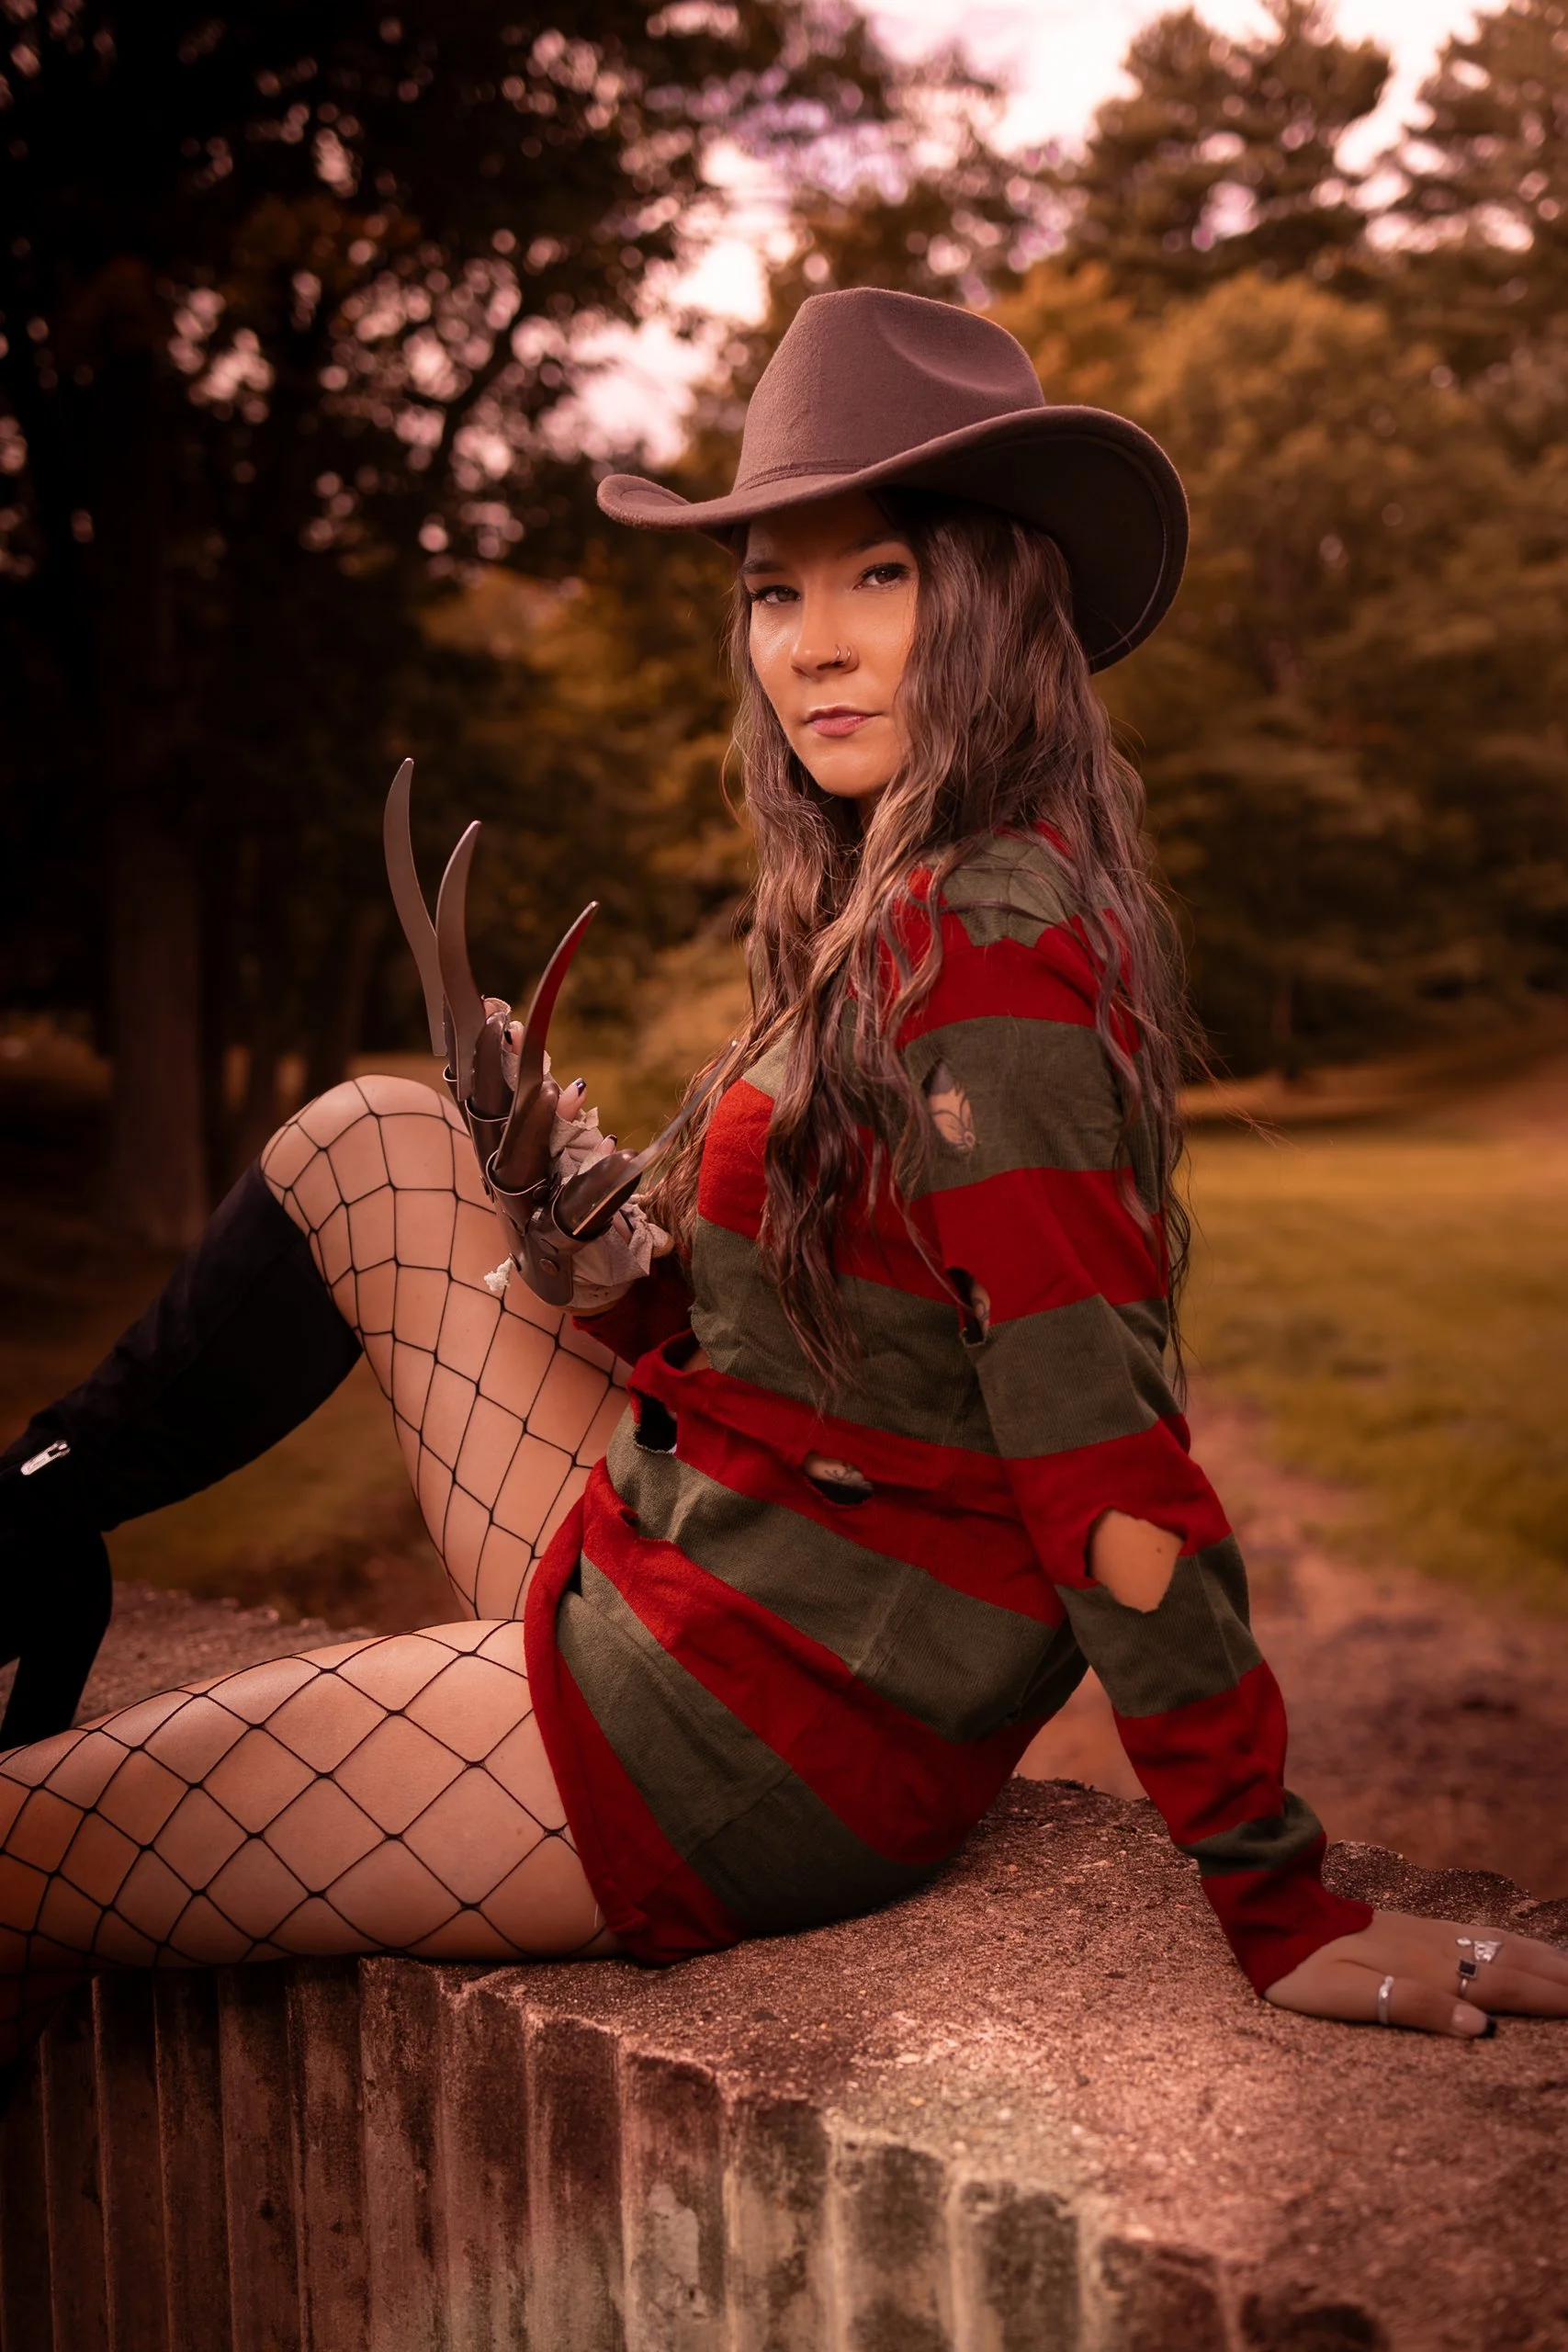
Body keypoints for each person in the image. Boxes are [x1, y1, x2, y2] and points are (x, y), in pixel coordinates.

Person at [0, 288, 1562, 2072]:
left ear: (989, 595)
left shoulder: (986, 963)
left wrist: (1275, 1893)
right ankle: (35, 1525)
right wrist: (621, 1270)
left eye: (875, 577)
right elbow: (837, 1343)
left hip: (773, 1721)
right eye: (771, 589)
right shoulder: (879, 906)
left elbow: (1100, 1460)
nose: (812, 643)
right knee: (377, 1139)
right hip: (714, 1560)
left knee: (22, 1854)